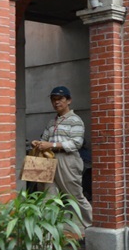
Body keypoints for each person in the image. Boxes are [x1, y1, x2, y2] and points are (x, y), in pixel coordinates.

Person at [31, 86, 93, 229]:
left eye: (60, 99)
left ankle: (92, 228)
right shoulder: (51, 122)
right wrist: (38, 143)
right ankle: (48, 233)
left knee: (75, 197)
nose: (56, 102)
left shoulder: (75, 120)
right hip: (49, 160)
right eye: (54, 100)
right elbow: (45, 139)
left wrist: (51, 145)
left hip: (67, 160)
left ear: (69, 100)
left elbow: (76, 143)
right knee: (48, 198)